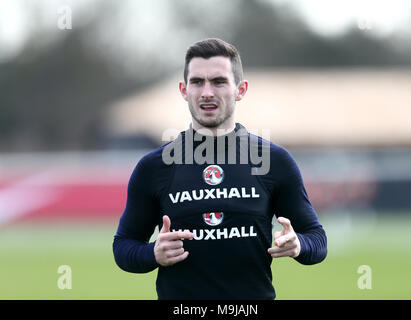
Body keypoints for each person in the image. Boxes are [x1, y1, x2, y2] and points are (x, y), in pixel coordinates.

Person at [112, 38, 327, 300]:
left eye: (219, 81)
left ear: (241, 89)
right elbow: (123, 247)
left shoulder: (274, 161)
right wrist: (152, 254)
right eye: (197, 82)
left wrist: (298, 245)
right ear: (183, 90)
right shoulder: (154, 167)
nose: (207, 93)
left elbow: (317, 240)